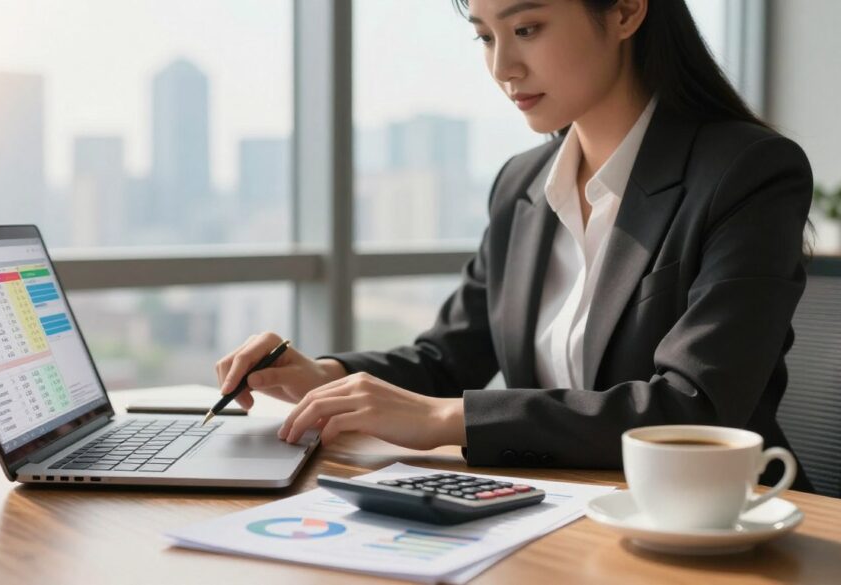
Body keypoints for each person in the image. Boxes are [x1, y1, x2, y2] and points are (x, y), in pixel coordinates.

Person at [215, 0, 814, 490]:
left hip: (716, 524)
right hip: (558, 510)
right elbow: (449, 359)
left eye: (526, 29)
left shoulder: (747, 172)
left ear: (627, 11)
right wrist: (324, 377)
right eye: (485, 37)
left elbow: (692, 408)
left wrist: (446, 418)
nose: (503, 67)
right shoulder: (521, 184)